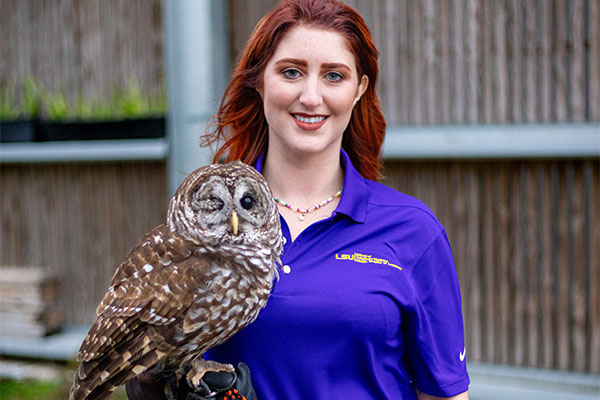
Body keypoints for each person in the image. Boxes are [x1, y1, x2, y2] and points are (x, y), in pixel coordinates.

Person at [128, 0, 470, 398]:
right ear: (259, 81)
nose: (311, 96)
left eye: (333, 76)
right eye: (291, 72)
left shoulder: (412, 229)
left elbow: (444, 394)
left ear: (359, 89)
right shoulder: (209, 220)